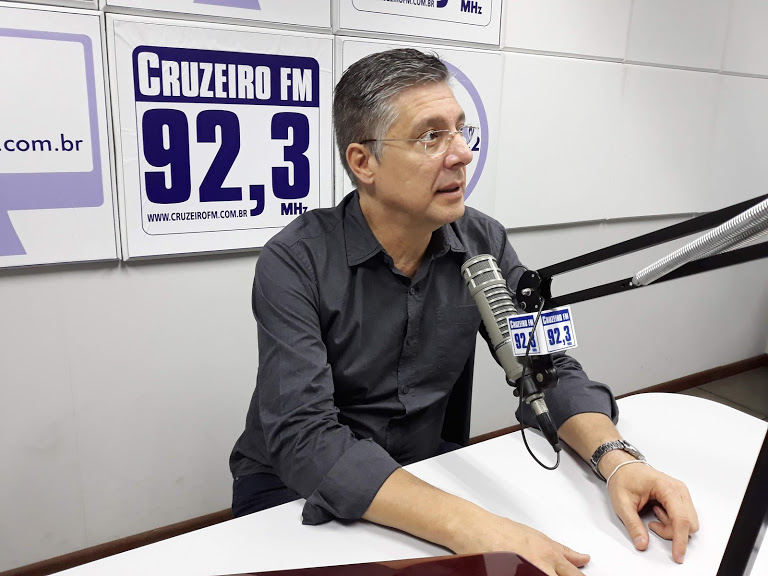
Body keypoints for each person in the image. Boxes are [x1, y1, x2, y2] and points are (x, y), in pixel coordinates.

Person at [230, 48, 699, 576]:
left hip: (423, 474)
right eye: (431, 137)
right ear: (364, 163)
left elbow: (546, 367)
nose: (461, 154)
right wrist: (476, 526)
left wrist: (616, 461)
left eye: (459, 130)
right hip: (293, 488)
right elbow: (304, 437)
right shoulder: (295, 261)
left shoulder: (483, 241)